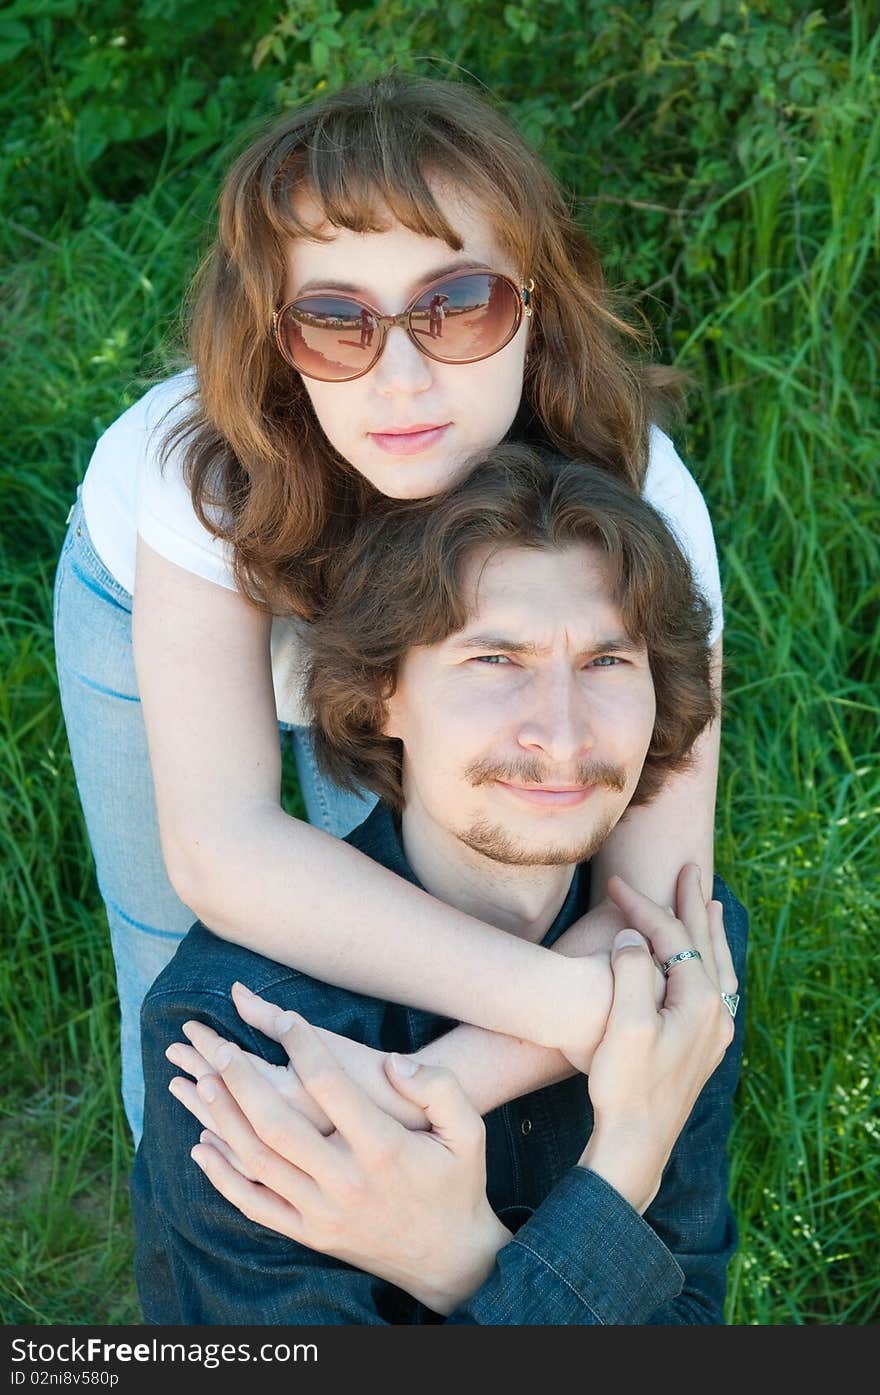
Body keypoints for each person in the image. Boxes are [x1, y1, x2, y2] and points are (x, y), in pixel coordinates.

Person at [53, 72, 728, 1147]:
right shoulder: (199, 475)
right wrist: (569, 1005)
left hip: (453, 673)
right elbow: (225, 850)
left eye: (456, 306)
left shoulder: (634, 504)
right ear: (278, 337)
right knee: (177, 976)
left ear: (533, 306)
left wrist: (402, 1094)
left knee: (453, 922)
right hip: (169, 616)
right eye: (334, 321)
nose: (400, 381)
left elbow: (665, 911)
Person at [131, 446, 746, 1326]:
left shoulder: (688, 954)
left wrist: (467, 1262)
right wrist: (615, 1185)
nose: (563, 735)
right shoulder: (238, 1045)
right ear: (383, 692)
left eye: (608, 662)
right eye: (497, 661)